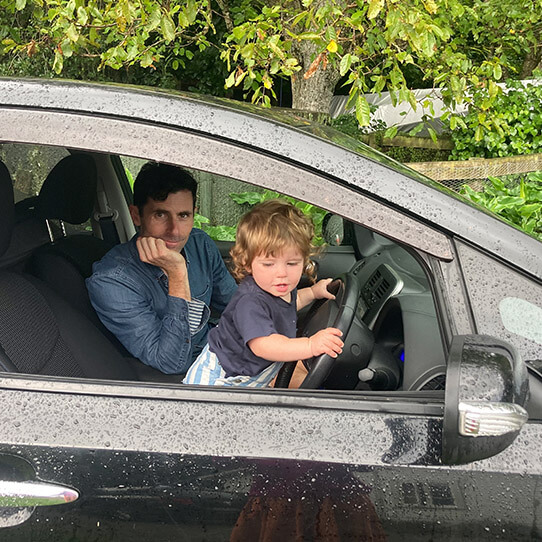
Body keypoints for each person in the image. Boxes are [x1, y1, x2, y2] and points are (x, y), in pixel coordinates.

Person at [86, 162, 237, 374]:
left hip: (222, 352)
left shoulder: (199, 244)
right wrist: (177, 275)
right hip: (191, 381)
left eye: (183, 215)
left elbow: (236, 306)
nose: (174, 230)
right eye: (160, 215)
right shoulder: (111, 281)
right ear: (136, 215)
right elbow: (171, 362)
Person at [183, 199, 344, 388]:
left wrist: (314, 292)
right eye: (269, 264)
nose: (281, 273)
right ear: (247, 263)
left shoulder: (279, 288)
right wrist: (310, 345)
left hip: (250, 374)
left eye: (292, 263)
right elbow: (264, 345)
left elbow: (292, 302)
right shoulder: (250, 302)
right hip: (220, 379)